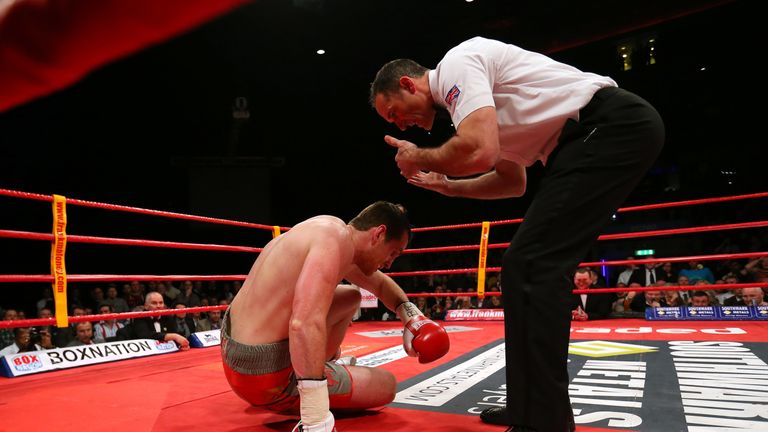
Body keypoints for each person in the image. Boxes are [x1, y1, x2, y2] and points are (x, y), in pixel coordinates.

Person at [370, 36, 664, 432]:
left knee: (531, 265)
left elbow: (478, 149)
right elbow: (511, 182)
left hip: (606, 126)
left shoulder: (457, 63)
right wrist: (447, 185)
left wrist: (416, 156)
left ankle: (543, 420)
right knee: (525, 267)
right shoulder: (475, 108)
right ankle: (531, 407)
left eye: (393, 113)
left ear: (408, 84)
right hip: (589, 139)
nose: (399, 123)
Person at [222, 201, 449, 432]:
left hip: (233, 349)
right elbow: (304, 323)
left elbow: (380, 285)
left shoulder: (325, 229)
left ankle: (319, 365)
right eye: (393, 252)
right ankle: (311, 398)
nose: (390, 263)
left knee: (350, 296)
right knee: (386, 386)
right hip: (264, 375)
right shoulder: (335, 242)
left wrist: (411, 316)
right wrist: (316, 415)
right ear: (378, 234)